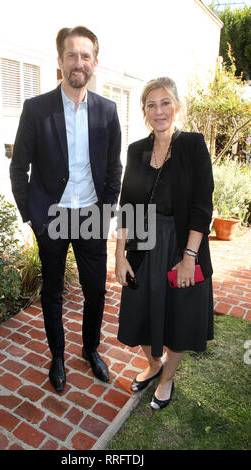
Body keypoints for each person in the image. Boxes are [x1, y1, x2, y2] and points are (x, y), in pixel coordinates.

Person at [10, 26, 122, 393]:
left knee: (95, 291)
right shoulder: (36, 109)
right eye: (71, 55)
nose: (78, 62)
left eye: (85, 56)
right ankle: (57, 356)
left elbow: (113, 169)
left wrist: (105, 211)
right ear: (59, 61)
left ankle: (90, 350)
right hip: (52, 217)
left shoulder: (107, 111)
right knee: (53, 291)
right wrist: (33, 216)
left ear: (94, 62)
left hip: (90, 215)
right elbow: (19, 166)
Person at [115, 77, 214, 410]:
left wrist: (189, 258)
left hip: (182, 245)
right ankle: (153, 364)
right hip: (143, 246)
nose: (159, 111)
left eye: (165, 102)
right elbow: (127, 204)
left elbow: (202, 206)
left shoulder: (193, 146)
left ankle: (167, 377)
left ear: (177, 105)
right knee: (137, 312)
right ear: (144, 111)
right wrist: (119, 254)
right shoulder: (136, 150)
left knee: (180, 317)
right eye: (151, 104)